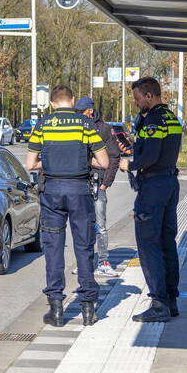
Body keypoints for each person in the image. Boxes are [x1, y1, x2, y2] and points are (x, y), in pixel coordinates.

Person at [26, 85, 109, 327]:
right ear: (72, 101)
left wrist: (51, 161)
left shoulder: (43, 125)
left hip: (51, 192)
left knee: (53, 249)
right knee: (84, 247)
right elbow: (104, 162)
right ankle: (88, 309)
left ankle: (56, 309)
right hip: (80, 192)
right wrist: (82, 159)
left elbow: (30, 163)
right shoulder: (85, 124)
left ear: (52, 103)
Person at [118, 77, 182, 322]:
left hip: (153, 187)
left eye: (137, 98)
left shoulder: (153, 121)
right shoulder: (171, 118)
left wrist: (129, 164)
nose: (135, 103)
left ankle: (158, 303)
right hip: (170, 183)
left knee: (148, 245)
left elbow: (151, 157)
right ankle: (171, 300)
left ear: (149, 95)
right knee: (167, 243)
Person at [75, 97, 120, 278]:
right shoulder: (75, 127)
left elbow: (114, 156)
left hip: (97, 183)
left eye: (81, 111)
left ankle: (103, 262)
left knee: (100, 225)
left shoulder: (104, 129)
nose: (78, 114)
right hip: (78, 183)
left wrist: (105, 183)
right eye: (77, 111)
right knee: (82, 226)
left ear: (90, 111)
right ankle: (84, 264)